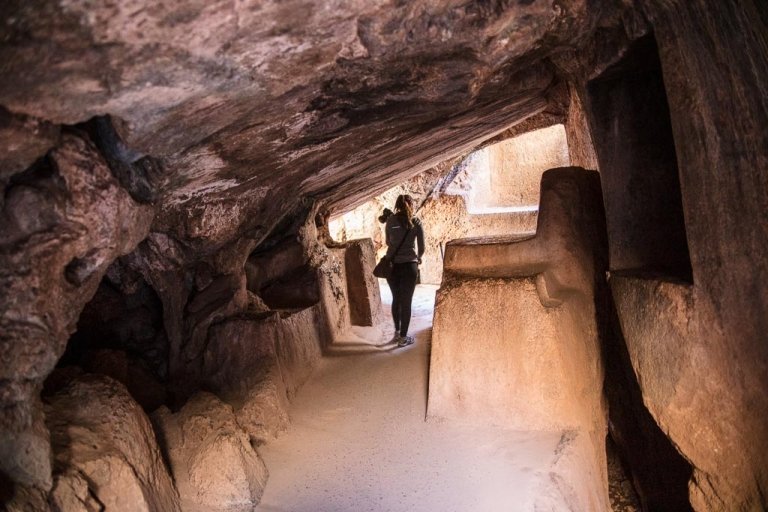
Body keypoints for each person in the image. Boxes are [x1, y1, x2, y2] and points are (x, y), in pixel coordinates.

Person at [383, 194, 425, 347]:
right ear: (411, 205)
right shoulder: (416, 222)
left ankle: (397, 331)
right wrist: (418, 257)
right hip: (409, 266)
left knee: (396, 298)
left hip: (393, 266)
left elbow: (388, 242)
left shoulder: (390, 221)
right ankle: (403, 337)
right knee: (406, 301)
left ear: (397, 205)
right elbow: (422, 248)